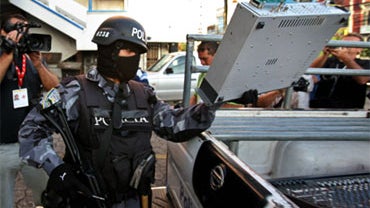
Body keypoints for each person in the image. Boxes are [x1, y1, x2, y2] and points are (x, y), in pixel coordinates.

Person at [17, 15, 231, 208]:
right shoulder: (74, 90)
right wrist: (57, 170)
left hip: (134, 200)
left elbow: (173, 125)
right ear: (108, 50)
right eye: (129, 50)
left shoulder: (143, 94)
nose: (134, 57)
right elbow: (31, 129)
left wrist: (218, 99)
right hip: (87, 200)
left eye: (138, 52)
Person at [0, 13, 59, 207]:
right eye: (18, 30)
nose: (23, 35)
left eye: (26, 30)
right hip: (3, 146)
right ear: (3, 32)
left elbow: (55, 89)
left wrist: (38, 64)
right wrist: (8, 53)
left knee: (48, 196)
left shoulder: (31, 57)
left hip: (35, 144)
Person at [190, 41, 284, 108]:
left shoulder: (229, 75)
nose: (202, 63)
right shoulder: (204, 74)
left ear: (217, 55)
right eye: (200, 59)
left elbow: (237, 106)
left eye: (205, 59)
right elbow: (196, 97)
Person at [309, 33, 370, 109]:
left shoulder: (365, 63)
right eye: (344, 43)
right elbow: (309, 71)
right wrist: (325, 54)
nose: (345, 46)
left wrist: (345, 58)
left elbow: (362, 80)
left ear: (359, 49)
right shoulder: (330, 61)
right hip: (320, 106)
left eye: (351, 44)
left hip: (350, 109)